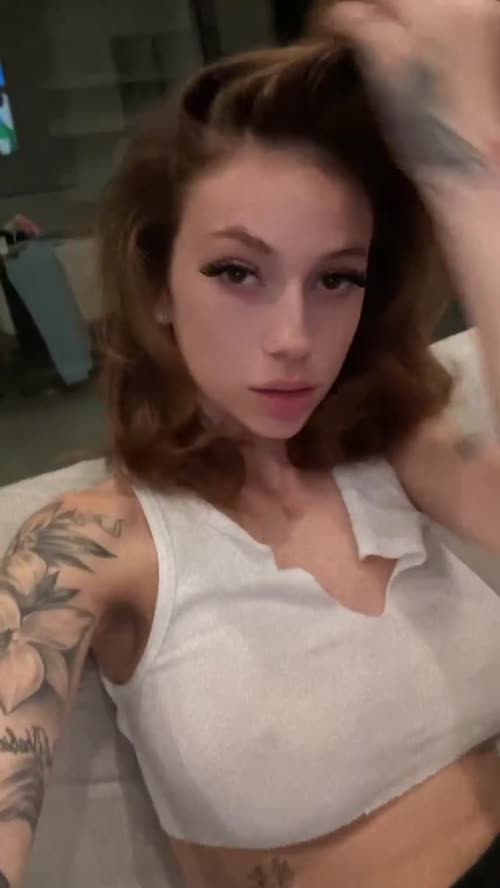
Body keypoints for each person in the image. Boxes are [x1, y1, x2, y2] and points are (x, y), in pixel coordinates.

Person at [1, 0, 500, 884]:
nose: (293, 338)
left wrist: (463, 170)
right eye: (237, 271)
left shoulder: (396, 450)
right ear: (157, 284)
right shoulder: (90, 545)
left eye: (336, 278)